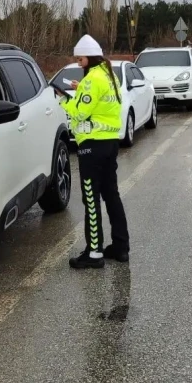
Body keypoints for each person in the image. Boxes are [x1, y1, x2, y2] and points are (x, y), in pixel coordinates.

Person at [56, 35, 129, 269]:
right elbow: (99, 104)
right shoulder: (109, 75)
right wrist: (81, 90)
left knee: (91, 198)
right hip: (110, 143)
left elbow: (78, 113)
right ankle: (121, 247)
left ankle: (94, 252)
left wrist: (62, 99)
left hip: (91, 146)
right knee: (112, 196)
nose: (78, 63)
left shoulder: (91, 80)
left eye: (80, 59)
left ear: (90, 57)